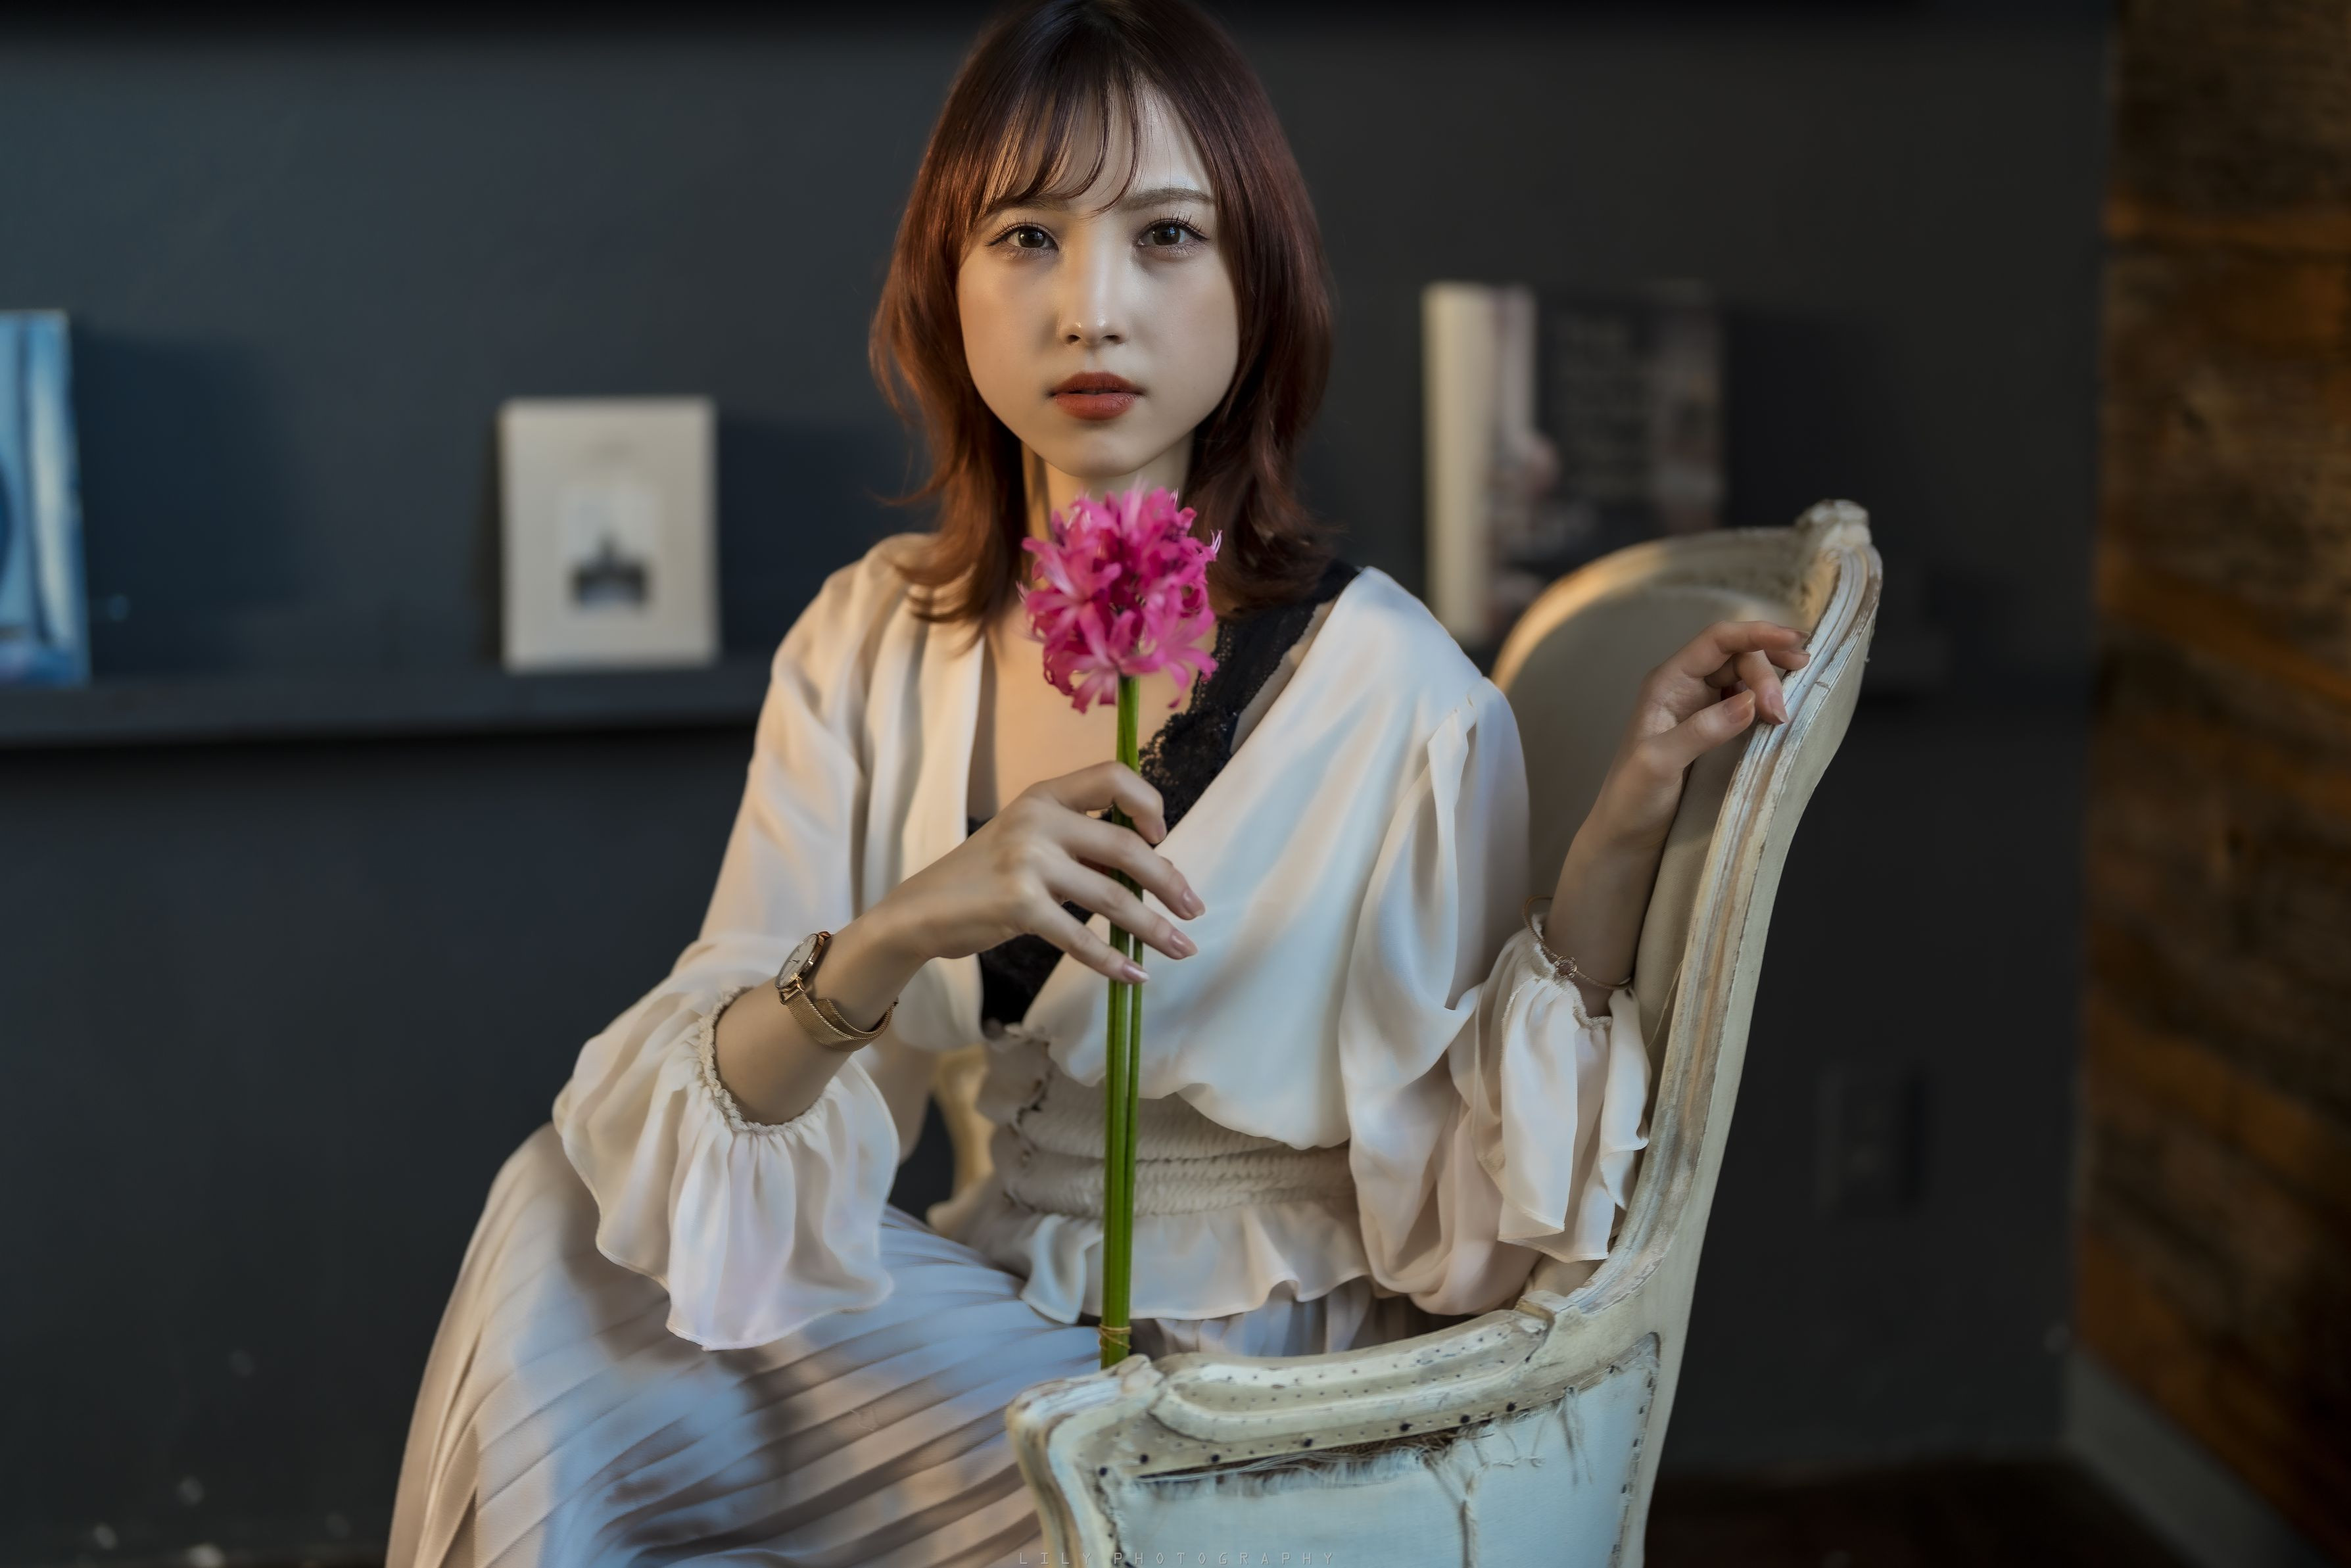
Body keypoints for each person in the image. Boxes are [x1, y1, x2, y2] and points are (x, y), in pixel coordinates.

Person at [387, 1, 1810, 1563]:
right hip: (1001, 1333)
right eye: (1026, 237)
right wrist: (900, 931)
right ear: (946, 282)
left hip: (1253, 1404)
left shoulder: (1389, 688)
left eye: (1167, 236)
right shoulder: (873, 642)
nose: (1093, 309)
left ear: (1258, 285)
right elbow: (703, 1125)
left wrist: (1617, 839)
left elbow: (1471, 1237)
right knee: (564, 1213)